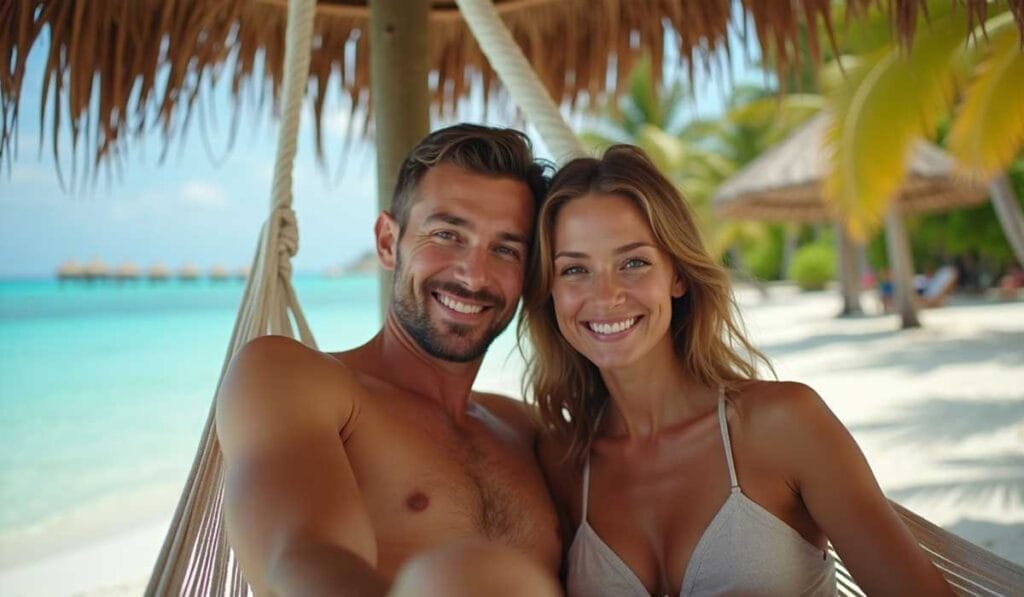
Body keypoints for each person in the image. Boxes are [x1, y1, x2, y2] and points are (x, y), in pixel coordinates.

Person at [521, 145, 953, 596]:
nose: (606, 294)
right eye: (574, 269)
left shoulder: (783, 424)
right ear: (550, 292)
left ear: (678, 275)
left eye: (634, 263)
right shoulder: (564, 463)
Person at [216, 124, 562, 596]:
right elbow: (300, 559)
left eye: (505, 249)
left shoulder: (525, 430)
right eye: (447, 234)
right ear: (386, 241)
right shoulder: (300, 381)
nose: (473, 274)